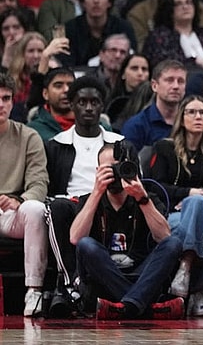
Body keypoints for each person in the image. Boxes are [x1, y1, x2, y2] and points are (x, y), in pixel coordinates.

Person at [70, 143, 184, 319]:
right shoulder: (89, 200)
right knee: (86, 245)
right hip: (104, 280)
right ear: (98, 171)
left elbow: (164, 237)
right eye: (109, 169)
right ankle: (142, 307)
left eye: (119, 167)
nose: (115, 173)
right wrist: (96, 192)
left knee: (173, 243)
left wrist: (142, 198)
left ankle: (125, 306)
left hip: (141, 277)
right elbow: (76, 238)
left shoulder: (147, 198)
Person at [45, 75, 125, 315]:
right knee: (56, 206)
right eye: (82, 102)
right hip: (71, 203)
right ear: (72, 105)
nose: (89, 108)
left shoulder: (118, 142)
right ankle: (71, 282)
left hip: (107, 201)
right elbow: (50, 188)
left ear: (102, 106)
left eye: (94, 102)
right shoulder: (56, 144)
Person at [149, 95, 203, 316]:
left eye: (202, 112)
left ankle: (185, 266)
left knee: (199, 205)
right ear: (181, 118)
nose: (198, 117)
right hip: (172, 215)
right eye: (191, 112)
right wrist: (187, 193)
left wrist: (198, 200)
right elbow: (154, 187)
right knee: (198, 207)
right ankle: (199, 293)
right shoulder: (164, 148)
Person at [0, 72, 49, 317]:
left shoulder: (28, 136)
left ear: (12, 102)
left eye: (6, 98)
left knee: (36, 209)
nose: (1, 104)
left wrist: (20, 200)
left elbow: (39, 182)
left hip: (11, 210)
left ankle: (34, 289)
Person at [60, 0, 137, 68]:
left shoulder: (124, 28)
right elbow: (64, 63)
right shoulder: (69, 29)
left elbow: (132, 60)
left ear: (109, 2)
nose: (96, 0)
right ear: (83, 2)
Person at [143, 0, 203, 71]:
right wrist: (198, 63)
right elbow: (162, 64)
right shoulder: (160, 36)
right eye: (178, 4)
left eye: (188, 2)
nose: (185, 7)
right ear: (170, 9)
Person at [122, 60, 187, 150]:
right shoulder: (136, 126)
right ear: (154, 86)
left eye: (181, 81)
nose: (176, 86)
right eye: (169, 80)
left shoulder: (191, 122)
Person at [27, 67, 76, 141]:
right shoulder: (32, 131)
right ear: (45, 94)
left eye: (70, 85)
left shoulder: (94, 125)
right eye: (58, 86)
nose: (66, 90)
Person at [105, 54, 151, 123]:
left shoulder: (154, 103)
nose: (140, 73)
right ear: (123, 74)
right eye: (134, 68)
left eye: (144, 69)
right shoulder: (112, 103)